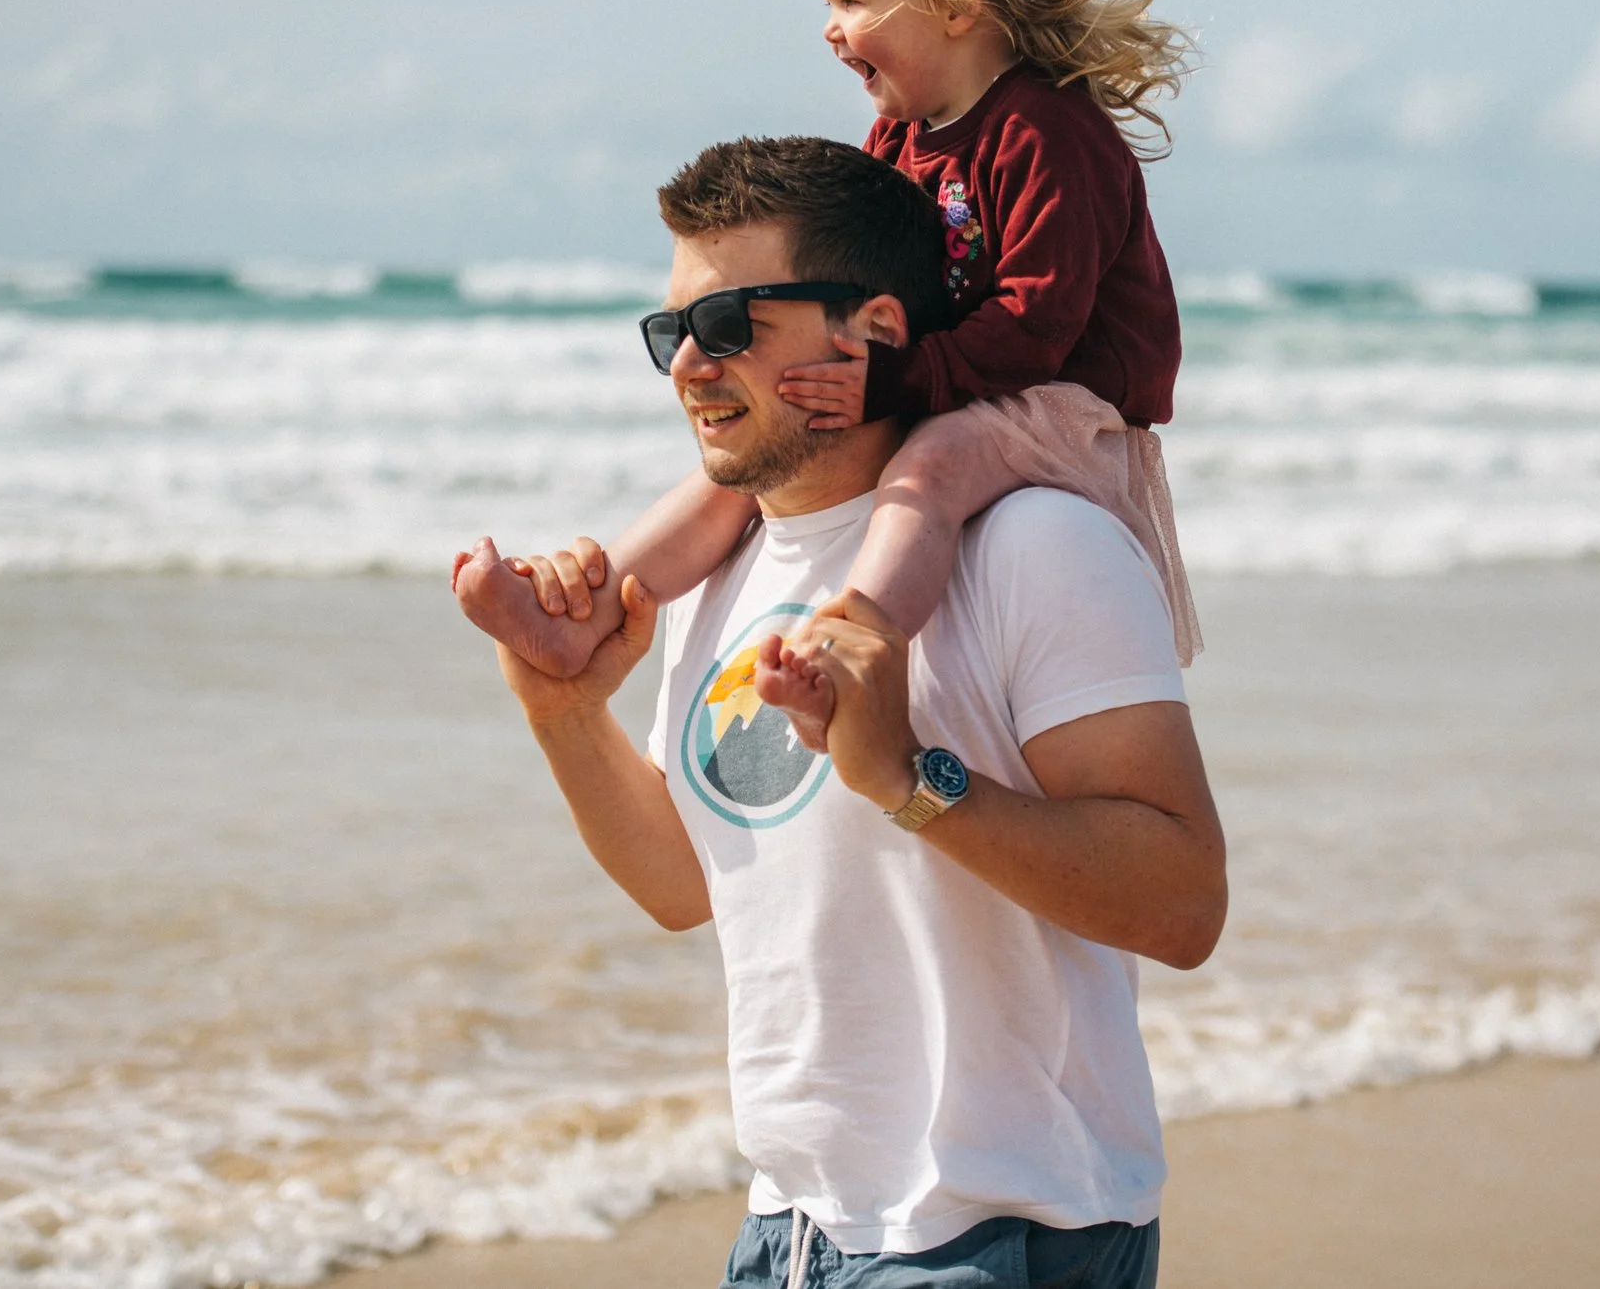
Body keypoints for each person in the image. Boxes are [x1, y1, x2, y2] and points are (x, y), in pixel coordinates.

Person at [452, 136, 1225, 1289]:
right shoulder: (715, 571)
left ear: (874, 328)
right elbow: (687, 884)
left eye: (731, 324)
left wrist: (908, 780)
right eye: (672, 331)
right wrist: (562, 712)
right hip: (790, 1230)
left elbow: (1182, 901)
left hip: (1007, 1225)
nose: (689, 366)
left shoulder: (1035, 543)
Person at [462, 0, 1200, 745]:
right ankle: (588, 611)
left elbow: (1036, 323)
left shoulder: (1049, 132)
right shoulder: (897, 139)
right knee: (768, 450)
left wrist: (889, 380)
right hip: (951, 381)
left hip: (1062, 405)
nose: (830, 27)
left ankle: (859, 644)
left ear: (955, 0)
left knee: (932, 466)